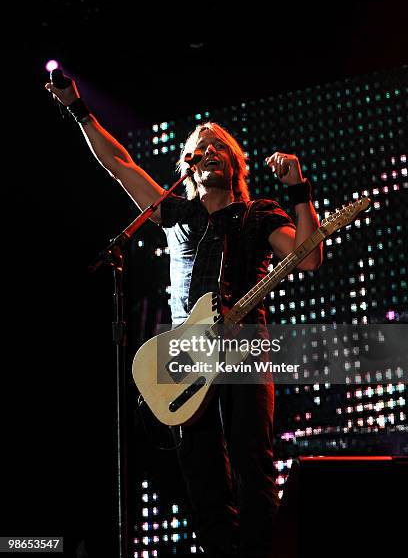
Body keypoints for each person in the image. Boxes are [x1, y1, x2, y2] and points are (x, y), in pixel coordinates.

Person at [45, 76, 323, 557]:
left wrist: (298, 188)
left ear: (235, 162)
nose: (208, 149)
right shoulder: (175, 213)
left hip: (244, 353)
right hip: (186, 355)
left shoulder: (259, 214)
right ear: (188, 164)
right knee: (202, 479)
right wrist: (78, 107)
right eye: (199, 147)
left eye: (218, 146)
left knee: (253, 467)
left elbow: (309, 257)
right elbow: (118, 163)